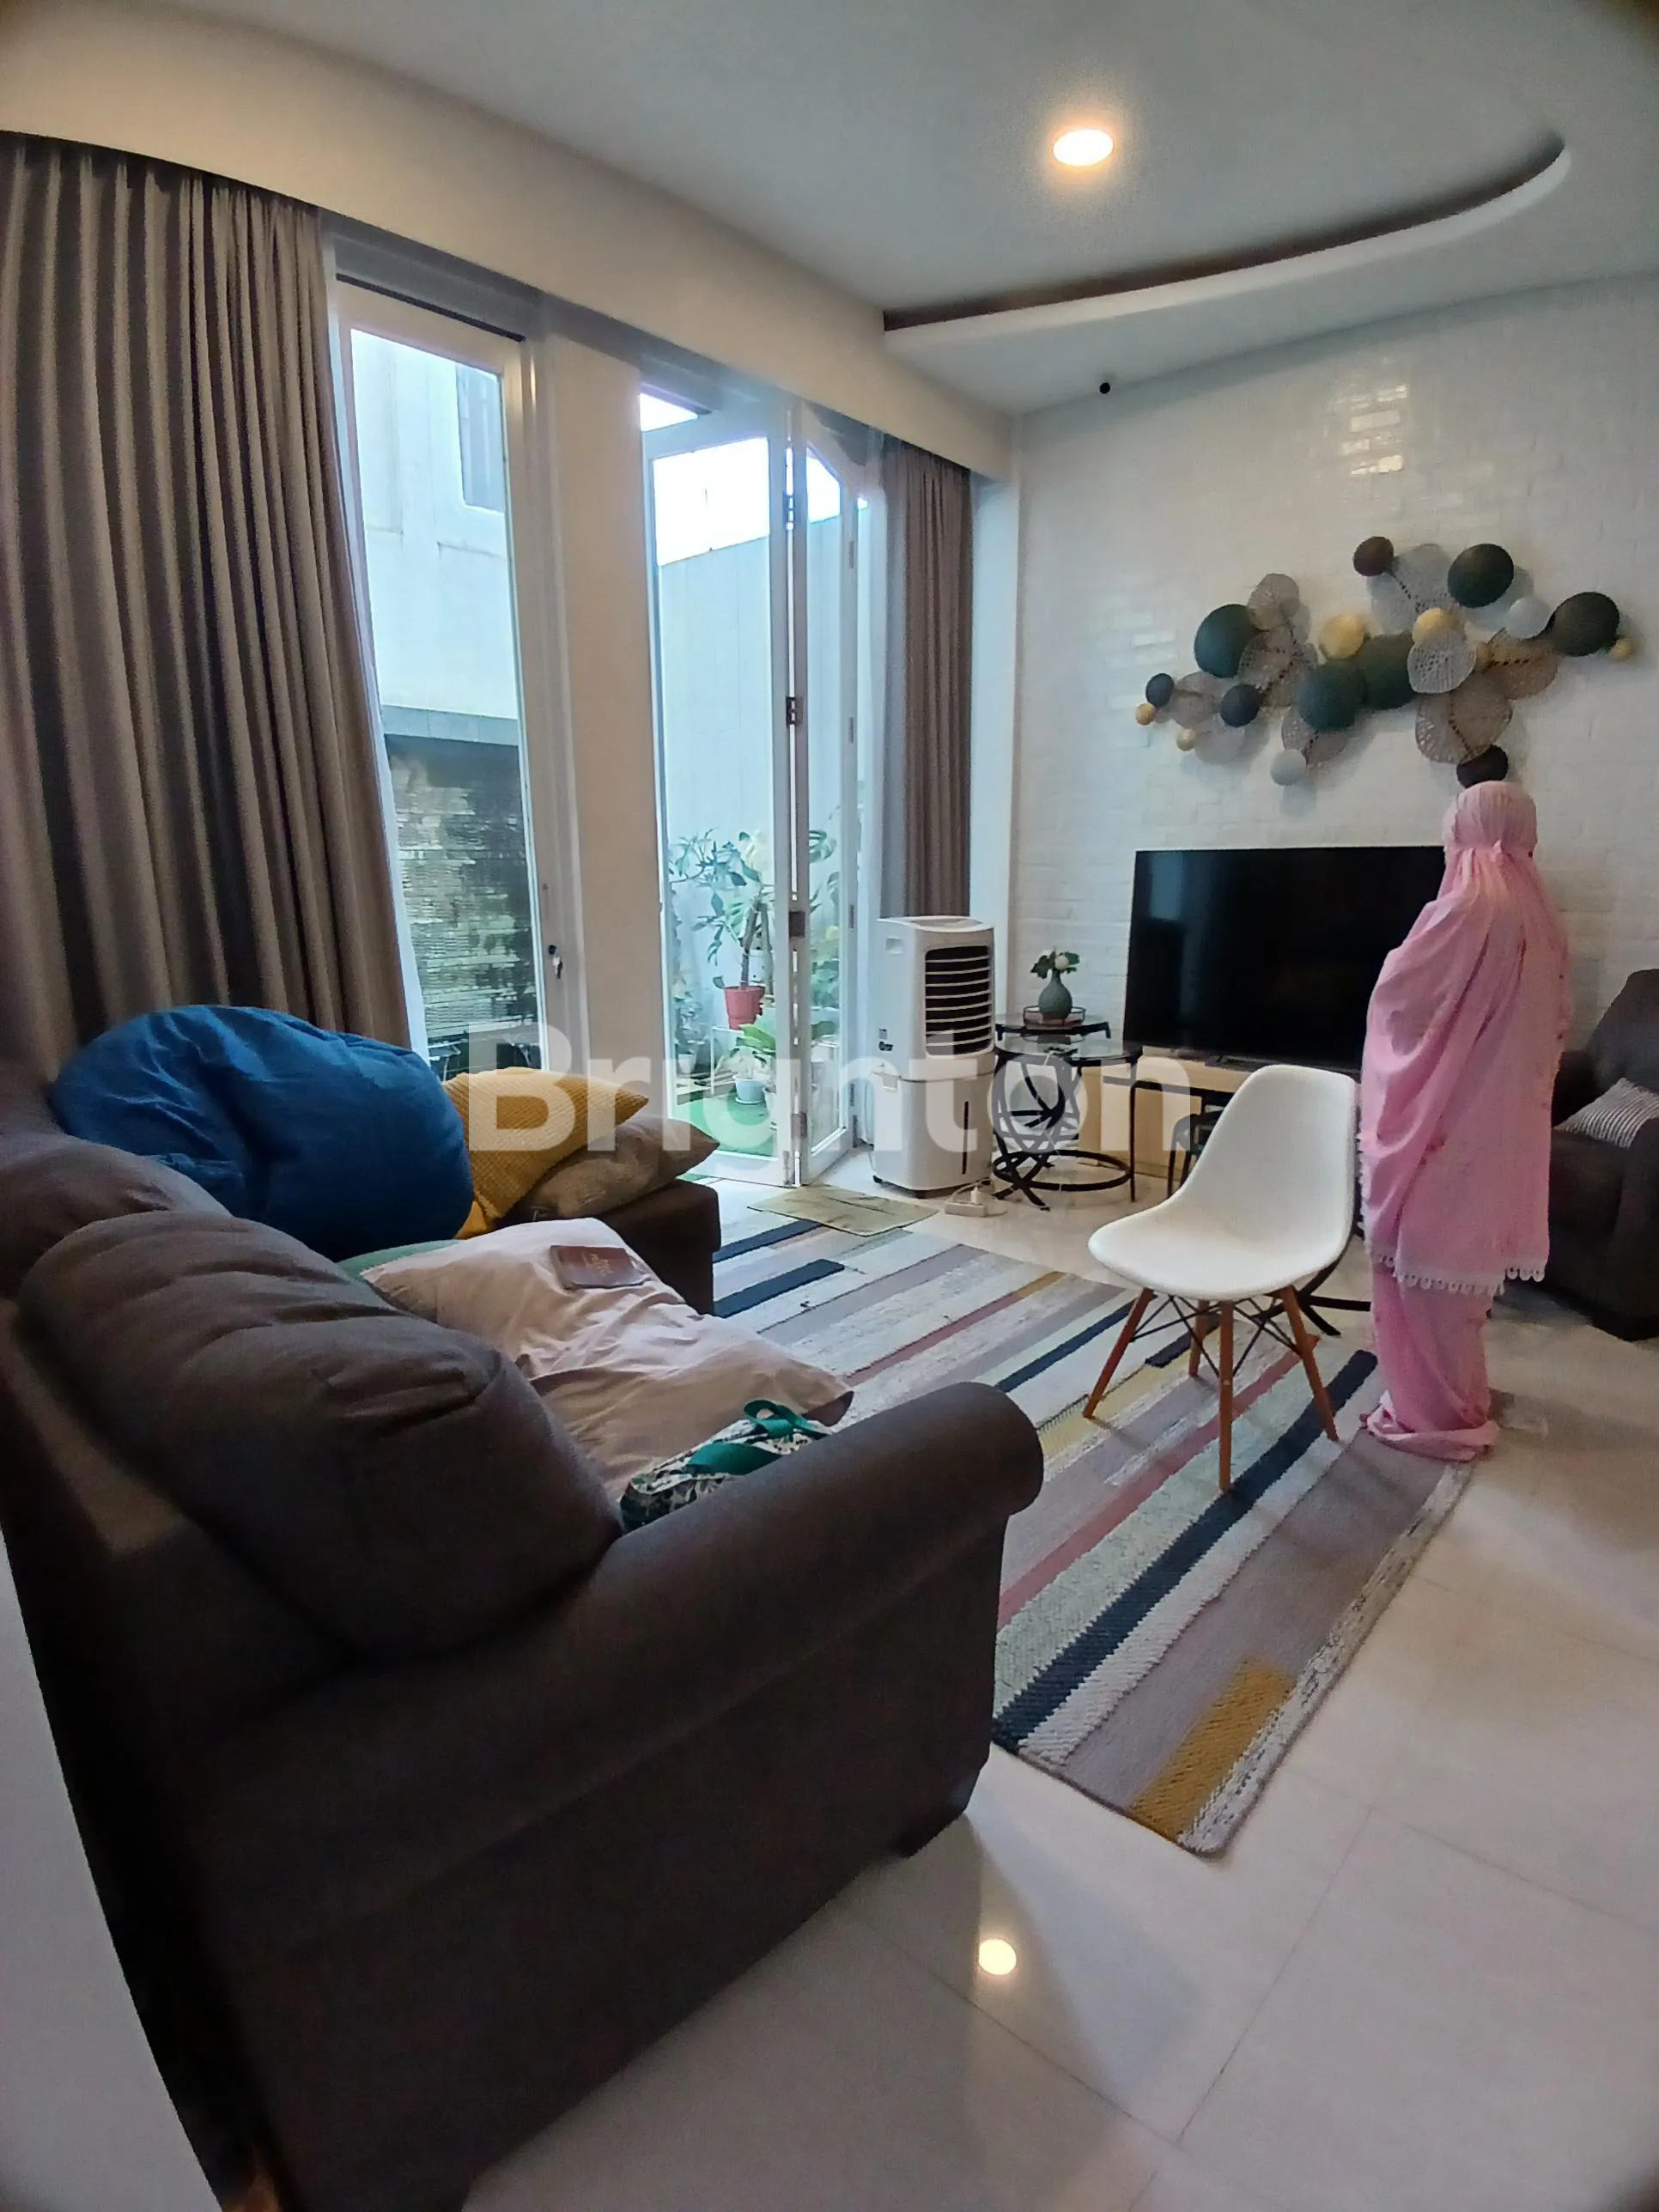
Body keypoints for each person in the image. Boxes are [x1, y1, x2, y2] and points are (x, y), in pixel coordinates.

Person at [1359, 781, 1570, 1459]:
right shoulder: (1539, 914)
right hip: (1499, 1126)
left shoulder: (1470, 907)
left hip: (1445, 1123)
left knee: (1421, 1276)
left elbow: (1400, 995)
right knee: (1458, 1285)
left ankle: (1438, 1416)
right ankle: (1457, 1397)